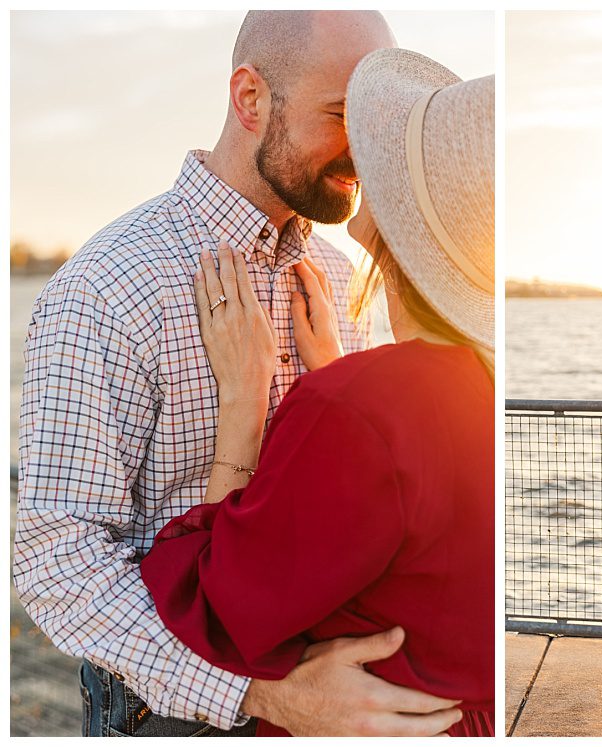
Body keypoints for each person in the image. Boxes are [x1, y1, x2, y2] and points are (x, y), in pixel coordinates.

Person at [14, 11, 466, 737]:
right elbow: (56, 560)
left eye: (374, 120)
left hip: (334, 701)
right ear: (251, 100)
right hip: (173, 712)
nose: (362, 149)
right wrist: (259, 693)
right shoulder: (108, 287)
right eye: (340, 115)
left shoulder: (342, 276)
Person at [139, 50, 495, 737]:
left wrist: (245, 405)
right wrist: (336, 373)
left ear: (385, 223)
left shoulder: (356, 403)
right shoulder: (478, 377)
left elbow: (215, 609)